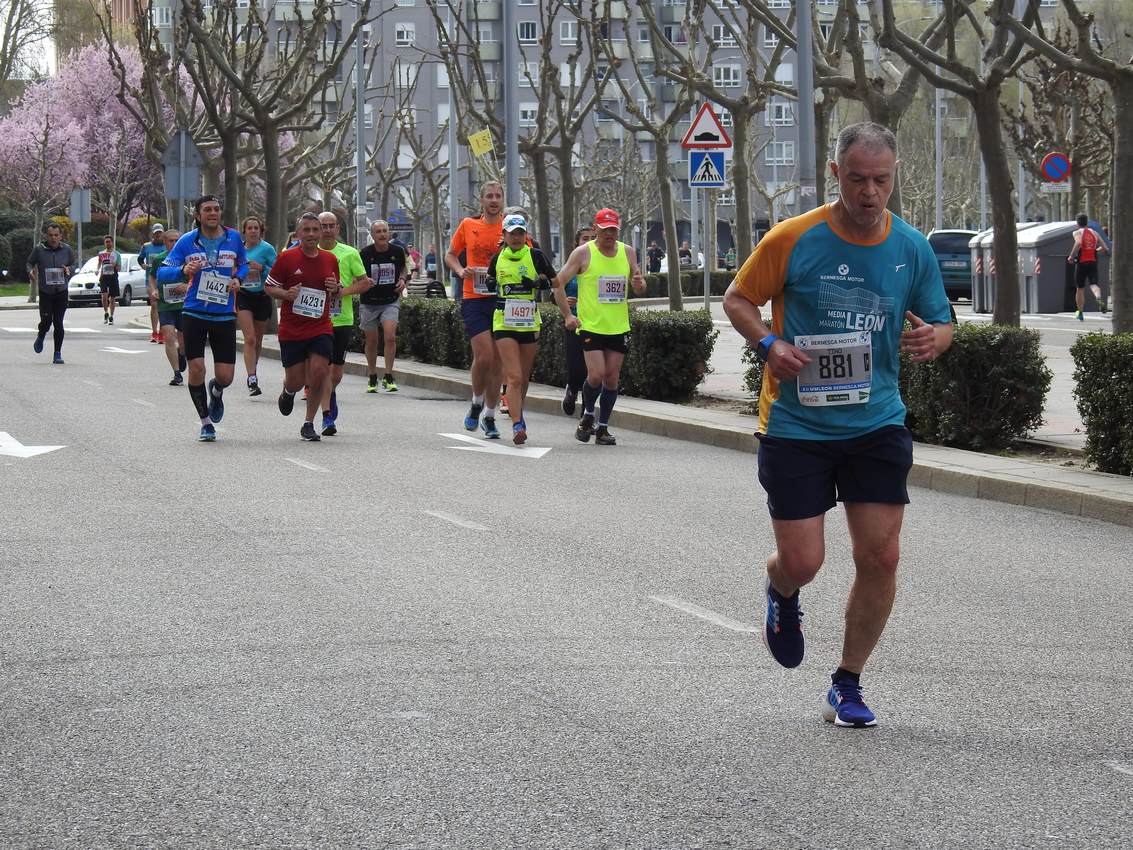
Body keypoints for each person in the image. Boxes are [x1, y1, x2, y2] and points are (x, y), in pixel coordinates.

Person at [721, 122, 954, 728]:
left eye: (881, 180)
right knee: (803, 561)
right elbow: (738, 300)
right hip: (798, 424)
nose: (870, 193)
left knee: (881, 557)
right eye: (857, 180)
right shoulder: (793, 238)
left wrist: (936, 337)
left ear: (894, 176)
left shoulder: (911, 248)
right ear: (836, 175)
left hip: (876, 422)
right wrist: (769, 342)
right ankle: (782, 590)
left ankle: (846, 683)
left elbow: (941, 318)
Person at [157, 195, 248, 442]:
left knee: (226, 376)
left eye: (216, 209)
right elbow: (162, 271)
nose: (213, 213)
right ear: (198, 215)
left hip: (223, 314)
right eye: (207, 210)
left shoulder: (233, 238)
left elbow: (244, 264)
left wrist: (238, 278)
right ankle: (206, 422)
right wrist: (182, 270)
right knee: (196, 368)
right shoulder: (187, 241)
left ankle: (216, 390)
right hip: (194, 311)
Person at [552, 208, 646, 446]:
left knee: (612, 379)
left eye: (613, 230)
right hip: (591, 325)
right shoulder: (583, 253)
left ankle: (602, 427)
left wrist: (639, 283)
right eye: (605, 230)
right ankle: (588, 415)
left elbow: (639, 287)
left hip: (617, 326)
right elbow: (557, 284)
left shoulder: (628, 252)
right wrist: (567, 315)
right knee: (596, 375)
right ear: (595, 229)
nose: (609, 235)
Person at [264, 212, 341, 442]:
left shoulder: (330, 259)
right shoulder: (286, 258)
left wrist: (335, 287)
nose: (311, 234)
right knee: (296, 380)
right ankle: (288, 391)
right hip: (292, 329)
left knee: (319, 371)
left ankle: (308, 423)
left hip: (320, 326)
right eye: (306, 230)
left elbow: (336, 288)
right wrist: (286, 294)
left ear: (320, 233)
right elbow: (269, 287)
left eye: (315, 230)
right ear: (298, 234)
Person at [485, 213, 557, 444]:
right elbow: (488, 279)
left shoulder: (535, 255)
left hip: (528, 321)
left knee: (523, 378)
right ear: (504, 235)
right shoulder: (497, 259)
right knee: (514, 375)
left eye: (520, 233)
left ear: (525, 235)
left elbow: (554, 282)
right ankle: (517, 425)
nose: (516, 237)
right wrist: (488, 283)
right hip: (504, 321)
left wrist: (537, 284)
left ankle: (518, 413)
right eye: (512, 233)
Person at [444, 180, 506, 438]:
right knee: (484, 356)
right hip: (474, 298)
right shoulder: (469, 226)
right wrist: (460, 270)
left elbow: (530, 255)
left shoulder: (510, 227)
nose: (493, 200)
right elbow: (450, 254)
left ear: (502, 200)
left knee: (498, 363)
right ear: (481, 200)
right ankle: (476, 401)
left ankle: (489, 416)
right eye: (489, 196)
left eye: (497, 196)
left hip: (502, 299)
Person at [317, 211, 373, 435]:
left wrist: (343, 292)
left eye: (332, 225)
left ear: (338, 229)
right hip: (316, 319)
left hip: (342, 318)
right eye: (323, 225)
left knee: (336, 372)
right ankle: (326, 416)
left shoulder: (349, 253)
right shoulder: (309, 252)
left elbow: (365, 283)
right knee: (321, 369)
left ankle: (329, 394)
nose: (327, 229)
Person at [358, 219, 407, 394]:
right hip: (369, 302)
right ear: (372, 235)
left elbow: (403, 268)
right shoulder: (364, 253)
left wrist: (402, 280)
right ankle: (372, 375)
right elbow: (357, 274)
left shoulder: (397, 251)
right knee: (371, 341)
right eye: (378, 231)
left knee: (390, 337)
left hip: (390, 300)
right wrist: (364, 280)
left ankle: (388, 375)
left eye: (384, 231)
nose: (382, 234)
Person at [237, 215, 278, 396]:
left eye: (256, 228)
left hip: (262, 296)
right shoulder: (238, 249)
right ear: (244, 231)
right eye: (249, 228)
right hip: (243, 295)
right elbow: (231, 269)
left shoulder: (267, 249)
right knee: (250, 338)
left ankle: (253, 365)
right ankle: (251, 377)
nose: (253, 231)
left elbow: (277, 273)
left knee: (258, 340)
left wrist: (262, 269)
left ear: (261, 231)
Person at [26, 223, 76, 365]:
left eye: (56, 235)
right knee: (46, 322)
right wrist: (30, 271)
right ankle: (41, 335)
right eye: (50, 235)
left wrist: (69, 270)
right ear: (46, 236)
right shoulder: (39, 250)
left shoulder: (67, 250)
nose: (53, 238)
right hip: (46, 292)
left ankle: (57, 353)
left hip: (61, 292)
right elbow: (29, 263)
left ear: (60, 236)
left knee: (58, 323)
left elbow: (74, 265)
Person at [146, 228, 188, 386]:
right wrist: (154, 289)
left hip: (183, 304)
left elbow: (195, 278)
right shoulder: (159, 259)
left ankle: (182, 353)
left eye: (178, 240)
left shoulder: (187, 259)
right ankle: (177, 374)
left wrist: (187, 285)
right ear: (165, 242)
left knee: (183, 342)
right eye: (171, 241)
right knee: (169, 337)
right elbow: (152, 276)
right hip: (165, 304)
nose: (175, 243)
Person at [561, 225, 594, 416]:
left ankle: (586, 411)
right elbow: (554, 291)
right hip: (574, 321)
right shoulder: (572, 265)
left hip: (595, 322)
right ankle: (572, 389)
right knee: (576, 368)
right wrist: (564, 303)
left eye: (592, 237)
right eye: (585, 238)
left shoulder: (602, 264)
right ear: (577, 243)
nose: (588, 241)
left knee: (592, 371)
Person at [1068, 213, 1109, 319]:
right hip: (1093, 262)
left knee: (1080, 288)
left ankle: (1080, 313)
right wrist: (1095, 250)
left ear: (1077, 223)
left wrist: (1071, 256)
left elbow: (1078, 243)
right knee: (1094, 284)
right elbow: (1105, 248)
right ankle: (1099, 298)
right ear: (1087, 222)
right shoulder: (1094, 233)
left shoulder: (1077, 232)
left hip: (1081, 263)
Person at [138, 223, 166, 343]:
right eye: (156, 233)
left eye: (160, 233)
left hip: (165, 280)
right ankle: (154, 332)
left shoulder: (168, 245)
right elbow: (140, 258)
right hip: (151, 279)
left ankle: (162, 332)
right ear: (153, 234)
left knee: (164, 307)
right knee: (154, 305)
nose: (158, 235)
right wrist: (143, 265)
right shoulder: (146, 246)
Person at [96, 236, 122, 325]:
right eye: (106, 242)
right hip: (104, 276)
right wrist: (97, 269)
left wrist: (114, 265)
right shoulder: (101, 253)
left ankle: (111, 316)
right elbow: (99, 263)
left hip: (113, 276)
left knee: (112, 297)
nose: (108, 243)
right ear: (104, 243)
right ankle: (106, 312)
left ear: (112, 242)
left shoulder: (116, 254)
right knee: (104, 295)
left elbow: (119, 268)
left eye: (109, 241)